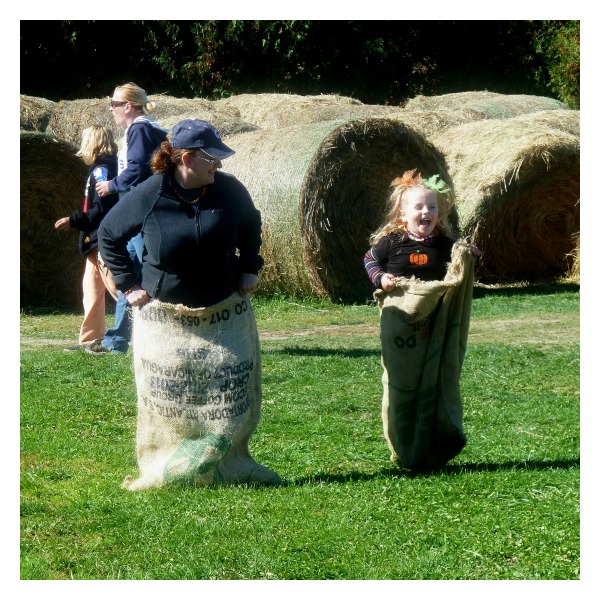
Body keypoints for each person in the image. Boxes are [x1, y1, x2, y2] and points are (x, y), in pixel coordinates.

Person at [98, 119, 280, 489]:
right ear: (186, 158)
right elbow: (109, 234)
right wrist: (128, 284)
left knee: (228, 392)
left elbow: (251, 224)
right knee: (172, 396)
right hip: (166, 318)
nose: (219, 164)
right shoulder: (151, 193)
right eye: (212, 157)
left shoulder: (229, 191)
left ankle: (229, 463)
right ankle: (167, 466)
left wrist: (249, 266)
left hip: (222, 311)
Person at [86, 82, 168, 355]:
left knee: (143, 274)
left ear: (128, 106)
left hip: (141, 212)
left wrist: (113, 185)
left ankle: (154, 334)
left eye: (114, 104)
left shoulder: (140, 128)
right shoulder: (147, 128)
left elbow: (136, 169)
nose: (111, 110)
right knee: (131, 277)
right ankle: (117, 341)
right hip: (144, 210)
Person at [54, 125, 119, 351]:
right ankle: (91, 340)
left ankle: (141, 331)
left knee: (120, 290)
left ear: (93, 143)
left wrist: (72, 220)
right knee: (91, 292)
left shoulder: (102, 172)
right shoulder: (102, 170)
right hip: (94, 243)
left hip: (103, 241)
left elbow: (100, 211)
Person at [364, 169, 480, 288]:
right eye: (418, 207)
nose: (426, 211)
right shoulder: (391, 241)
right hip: (398, 304)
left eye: (432, 207)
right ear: (403, 215)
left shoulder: (446, 245)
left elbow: (465, 268)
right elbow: (369, 258)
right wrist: (380, 278)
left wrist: (471, 256)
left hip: (434, 304)